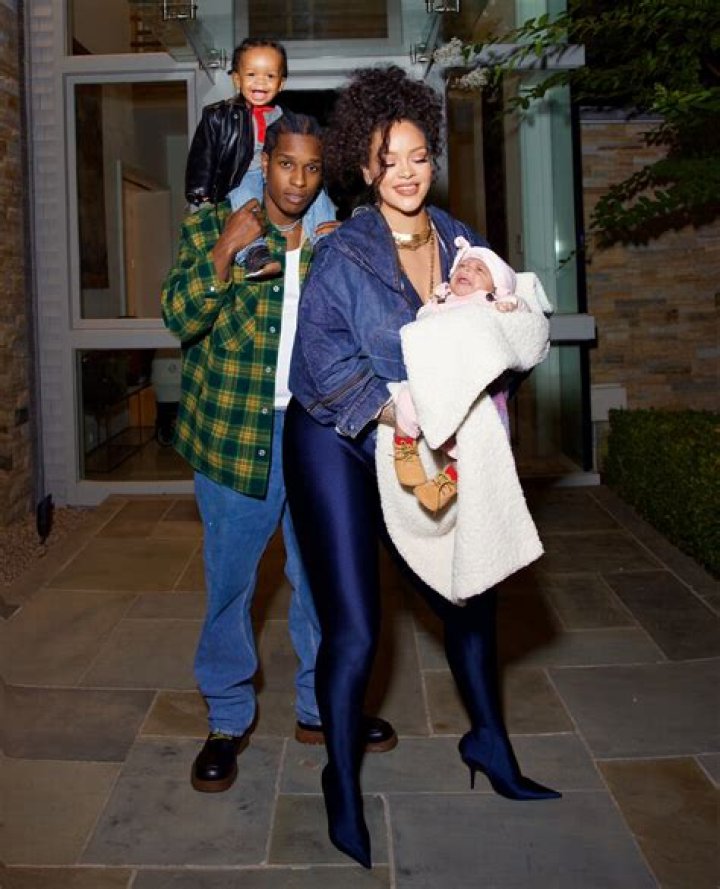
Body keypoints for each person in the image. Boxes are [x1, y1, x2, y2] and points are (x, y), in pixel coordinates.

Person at [284, 67, 560, 869]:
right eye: (388, 159)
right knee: (356, 627)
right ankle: (341, 779)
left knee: (472, 592)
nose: (406, 172)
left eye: (418, 156)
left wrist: (501, 351)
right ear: (363, 166)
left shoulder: (461, 240)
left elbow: (494, 344)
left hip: (426, 435)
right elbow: (317, 365)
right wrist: (389, 410)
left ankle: (489, 742)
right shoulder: (342, 251)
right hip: (336, 434)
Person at [162, 111, 397, 796]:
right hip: (234, 435)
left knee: (320, 579)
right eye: (287, 164)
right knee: (231, 585)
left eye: (312, 167)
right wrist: (223, 252)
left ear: (324, 173)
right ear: (265, 162)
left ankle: (324, 706)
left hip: (316, 436)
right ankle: (227, 718)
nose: (298, 180)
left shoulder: (334, 242)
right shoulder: (214, 226)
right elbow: (179, 316)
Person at [393, 238, 529, 512]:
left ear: (496, 287)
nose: (468, 270)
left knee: (483, 440)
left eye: (480, 270)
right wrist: (432, 306)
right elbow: (421, 323)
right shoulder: (443, 299)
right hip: (438, 376)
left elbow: (523, 323)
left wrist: (510, 306)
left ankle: (446, 483)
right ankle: (404, 446)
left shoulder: (492, 302)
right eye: (463, 266)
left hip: (475, 385)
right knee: (408, 399)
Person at [184, 38, 335, 279]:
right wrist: (199, 188)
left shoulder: (286, 118)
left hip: (275, 173)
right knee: (247, 204)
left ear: (281, 83)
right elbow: (203, 153)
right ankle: (254, 253)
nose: (260, 82)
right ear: (237, 79)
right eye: (252, 74)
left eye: (270, 76)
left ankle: (326, 244)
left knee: (319, 198)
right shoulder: (220, 115)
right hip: (243, 172)